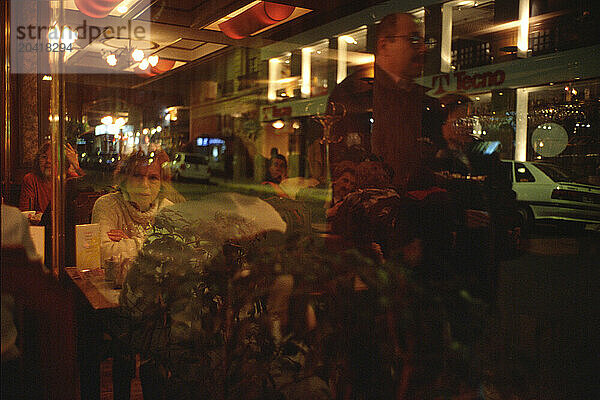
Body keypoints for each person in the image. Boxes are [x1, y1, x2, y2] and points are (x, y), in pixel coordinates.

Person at [91, 150, 175, 265]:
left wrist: (129, 243)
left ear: (162, 183)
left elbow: (175, 253)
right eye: (137, 175)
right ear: (124, 180)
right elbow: (102, 254)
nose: (144, 184)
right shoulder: (107, 204)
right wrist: (155, 245)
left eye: (153, 178)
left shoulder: (168, 209)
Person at [19, 142, 83, 215]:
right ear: (38, 161)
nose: (48, 161)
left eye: (53, 157)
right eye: (44, 157)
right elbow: (26, 212)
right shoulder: (30, 179)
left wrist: (76, 165)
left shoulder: (68, 178)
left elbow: (86, 191)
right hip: (39, 225)